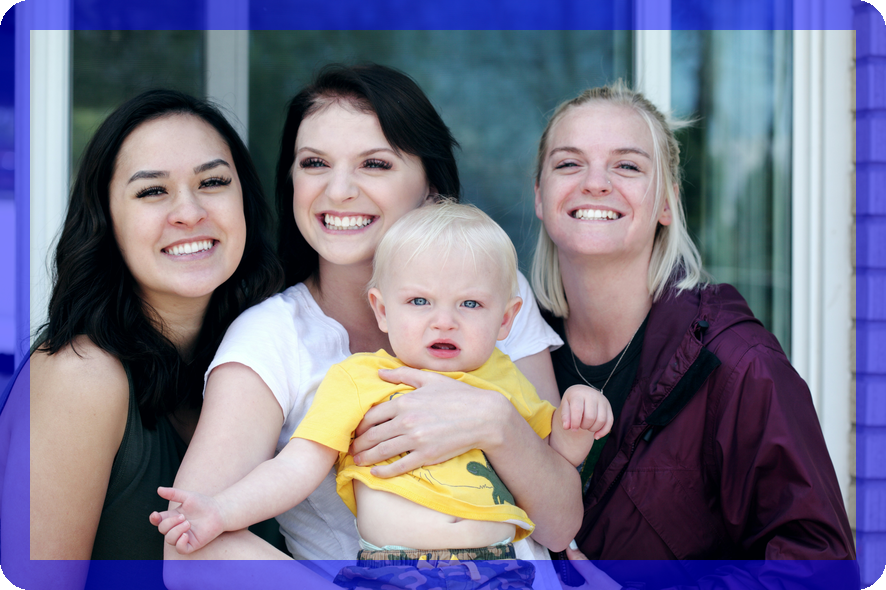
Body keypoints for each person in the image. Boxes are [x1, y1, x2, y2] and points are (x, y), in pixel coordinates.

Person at [158, 64, 581, 588]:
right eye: (314, 163)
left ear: (431, 187)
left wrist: (496, 422)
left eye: (374, 163)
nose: (338, 190)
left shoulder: (489, 293)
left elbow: (560, 526)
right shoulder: (272, 338)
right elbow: (189, 557)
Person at [153, 203, 612, 589]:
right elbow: (296, 468)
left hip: (500, 571)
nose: (444, 321)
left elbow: (552, 464)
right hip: (394, 574)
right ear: (382, 309)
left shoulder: (504, 379)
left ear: (506, 319)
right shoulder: (361, 379)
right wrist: (221, 510)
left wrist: (578, 418)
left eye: (470, 304)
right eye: (419, 302)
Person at [530, 80, 857, 589]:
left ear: (666, 203)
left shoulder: (739, 363)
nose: (595, 182)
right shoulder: (508, 350)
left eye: (627, 166)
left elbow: (820, 571)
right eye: (569, 163)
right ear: (539, 196)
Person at [0, 89, 283, 589]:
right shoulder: (80, 375)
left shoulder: (266, 358)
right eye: (152, 191)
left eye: (213, 182)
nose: (189, 212)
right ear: (106, 220)